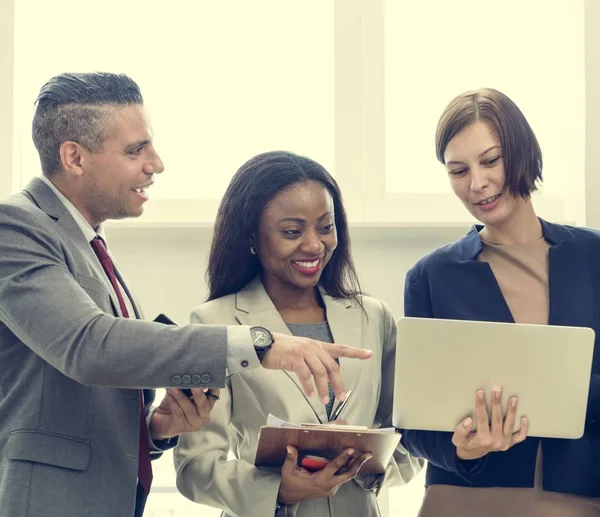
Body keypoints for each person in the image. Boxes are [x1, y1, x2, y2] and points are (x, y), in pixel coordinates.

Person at [0, 73, 372, 517]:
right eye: (136, 149)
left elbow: (85, 401)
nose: (156, 163)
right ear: (74, 157)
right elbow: (88, 346)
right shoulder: (15, 227)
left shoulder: (90, 245)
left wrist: (156, 430)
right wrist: (261, 344)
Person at [173, 150, 422, 517]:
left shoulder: (373, 317)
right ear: (251, 237)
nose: (314, 245)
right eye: (292, 232)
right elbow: (194, 465)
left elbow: (410, 439)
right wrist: (278, 490)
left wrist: (364, 465)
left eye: (325, 226)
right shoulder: (215, 322)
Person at [400, 88, 600, 516]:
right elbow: (412, 423)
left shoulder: (593, 257)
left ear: (523, 151)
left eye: (490, 161)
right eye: (459, 170)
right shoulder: (430, 276)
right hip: (462, 499)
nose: (477, 183)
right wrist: (463, 451)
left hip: (578, 499)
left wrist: (564, 393)